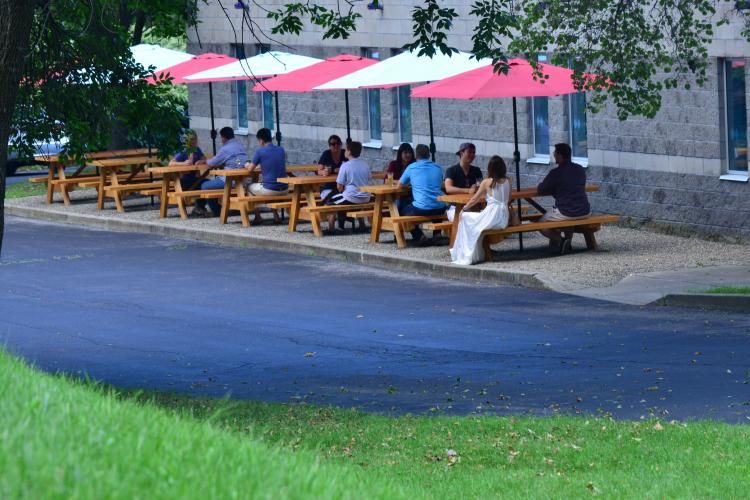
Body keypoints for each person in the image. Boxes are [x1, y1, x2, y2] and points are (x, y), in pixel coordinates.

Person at [450, 156, 511, 265]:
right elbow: (509, 199)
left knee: (465, 218)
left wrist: (464, 209)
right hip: (504, 218)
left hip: (492, 216)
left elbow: (474, 199)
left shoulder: (486, 182)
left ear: (490, 168)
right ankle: (477, 252)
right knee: (473, 223)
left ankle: (465, 253)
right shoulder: (508, 180)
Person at [537, 142, 591, 255]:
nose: (553, 155)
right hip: (585, 210)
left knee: (541, 224)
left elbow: (541, 189)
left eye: (555, 153)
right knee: (568, 218)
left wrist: (554, 189)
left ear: (560, 156)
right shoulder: (580, 169)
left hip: (567, 211)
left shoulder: (556, 173)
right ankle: (568, 243)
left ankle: (562, 241)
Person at [191, 127, 247, 217]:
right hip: (241, 180)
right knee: (214, 182)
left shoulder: (225, 149)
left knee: (205, 186)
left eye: (221, 138)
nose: (221, 140)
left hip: (229, 180)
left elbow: (212, 163)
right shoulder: (240, 146)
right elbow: (238, 161)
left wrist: (205, 161)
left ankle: (217, 211)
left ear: (224, 137)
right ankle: (229, 209)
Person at [397, 144, 446, 246]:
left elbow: (399, 186)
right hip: (441, 207)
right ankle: (437, 234)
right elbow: (440, 183)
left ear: (416, 155)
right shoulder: (437, 167)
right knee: (435, 201)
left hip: (422, 208)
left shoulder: (412, 167)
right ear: (428, 155)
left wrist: (412, 183)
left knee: (401, 211)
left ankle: (419, 235)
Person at [325, 141, 371, 234]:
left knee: (329, 201)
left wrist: (343, 190)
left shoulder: (345, 166)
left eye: (346, 149)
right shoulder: (365, 164)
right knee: (342, 199)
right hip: (365, 197)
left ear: (349, 152)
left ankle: (332, 228)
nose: (344, 151)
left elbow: (339, 186)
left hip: (352, 196)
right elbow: (369, 177)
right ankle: (361, 225)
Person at [244, 127, 288, 224]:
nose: (258, 143)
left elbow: (250, 169)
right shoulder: (281, 149)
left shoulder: (260, 152)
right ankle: (276, 217)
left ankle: (257, 216)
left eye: (258, 141)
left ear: (261, 141)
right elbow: (270, 163)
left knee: (249, 187)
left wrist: (247, 165)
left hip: (271, 189)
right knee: (267, 184)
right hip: (284, 188)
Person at [444, 142, 483, 222]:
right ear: (461, 153)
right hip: (455, 208)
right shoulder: (451, 170)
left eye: (474, 152)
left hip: (473, 206)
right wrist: (468, 190)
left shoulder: (477, 170)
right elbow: (448, 188)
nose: (472, 155)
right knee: (467, 219)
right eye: (469, 152)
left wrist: (477, 188)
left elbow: (480, 186)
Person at [317, 134, 345, 203]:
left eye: (338, 143)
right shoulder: (326, 154)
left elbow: (351, 168)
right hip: (328, 186)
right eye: (333, 144)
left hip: (342, 186)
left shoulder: (345, 153)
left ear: (341, 144)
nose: (336, 146)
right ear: (329, 146)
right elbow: (319, 171)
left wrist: (341, 170)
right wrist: (324, 172)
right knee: (331, 201)